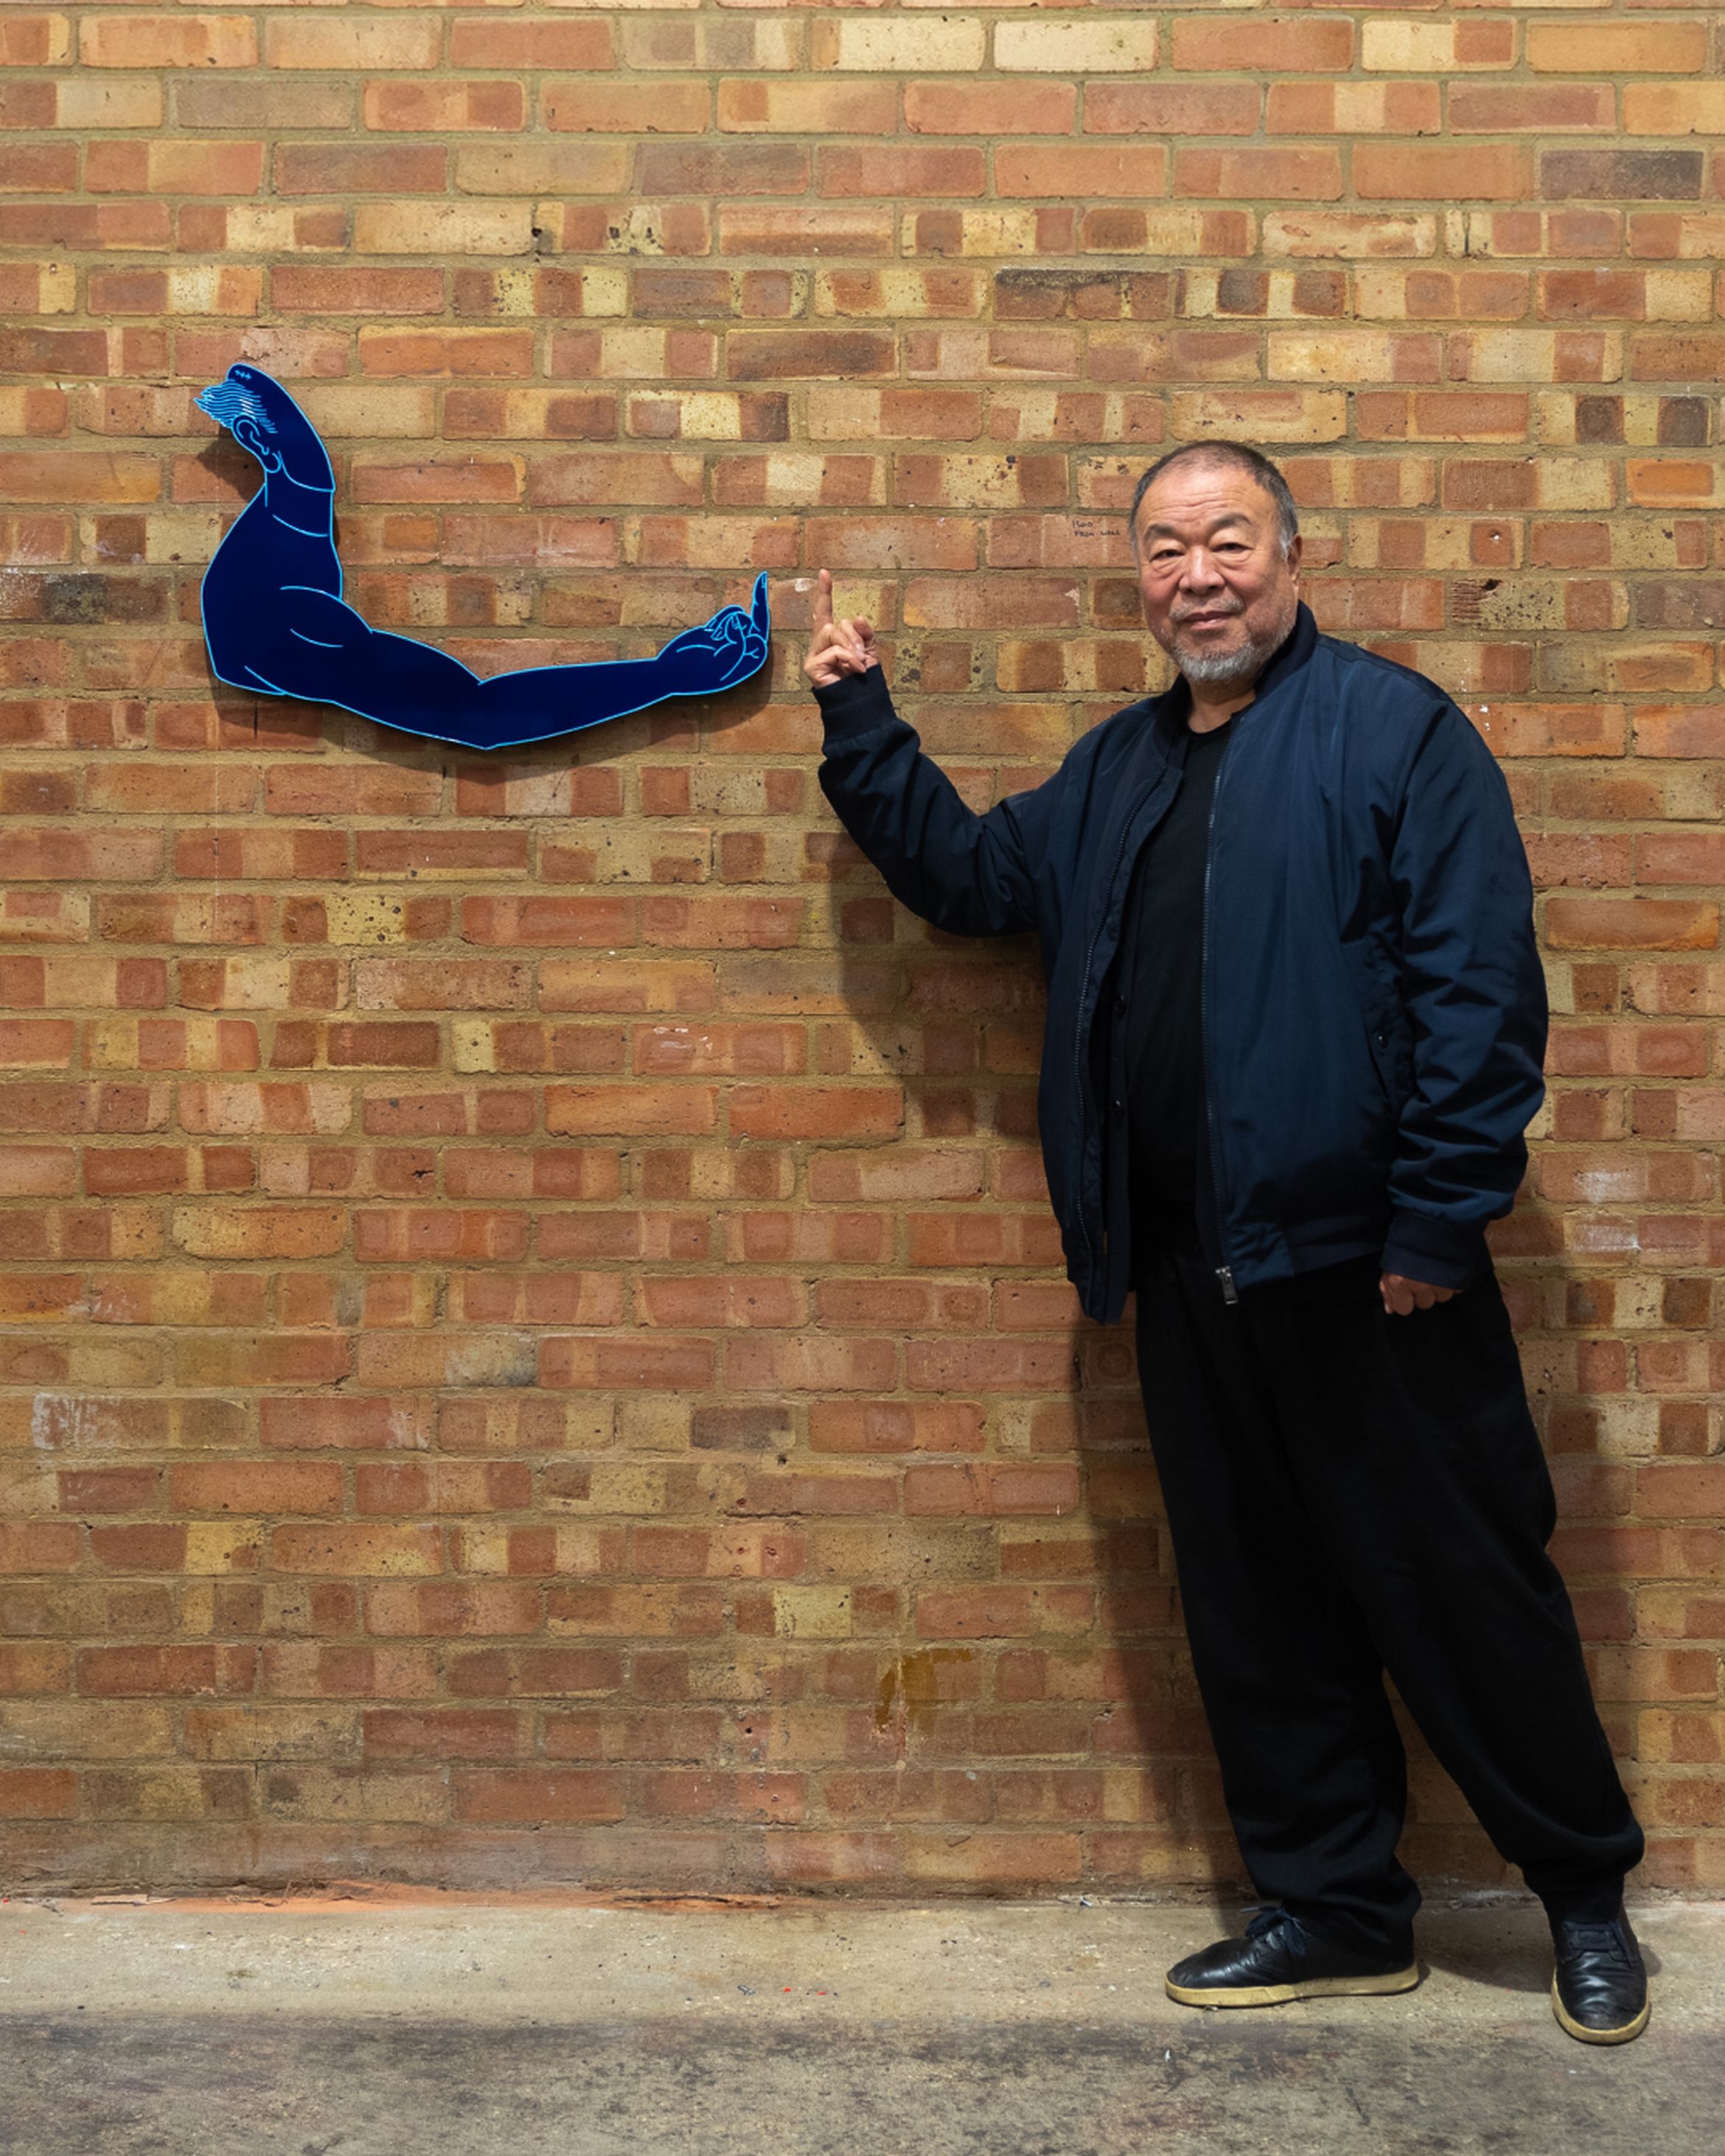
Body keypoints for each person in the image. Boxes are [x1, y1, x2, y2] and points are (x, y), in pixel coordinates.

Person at [805, 439, 1648, 2046]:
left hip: (1374, 1269)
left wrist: (1432, 1218)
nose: (1198, 573)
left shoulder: (1397, 734)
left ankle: (1585, 1893)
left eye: (1229, 541)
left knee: (1466, 1589)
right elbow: (977, 881)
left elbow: (1483, 999)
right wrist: (864, 721)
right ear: (1139, 578)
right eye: (1167, 548)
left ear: (1291, 558)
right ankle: (1337, 1909)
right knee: (1255, 1600)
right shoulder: (1118, 769)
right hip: (1187, 1263)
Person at [195, 364, 768, 751]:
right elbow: (480, 717)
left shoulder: (285, 541)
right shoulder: (289, 629)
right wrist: (663, 677)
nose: (316, 472)